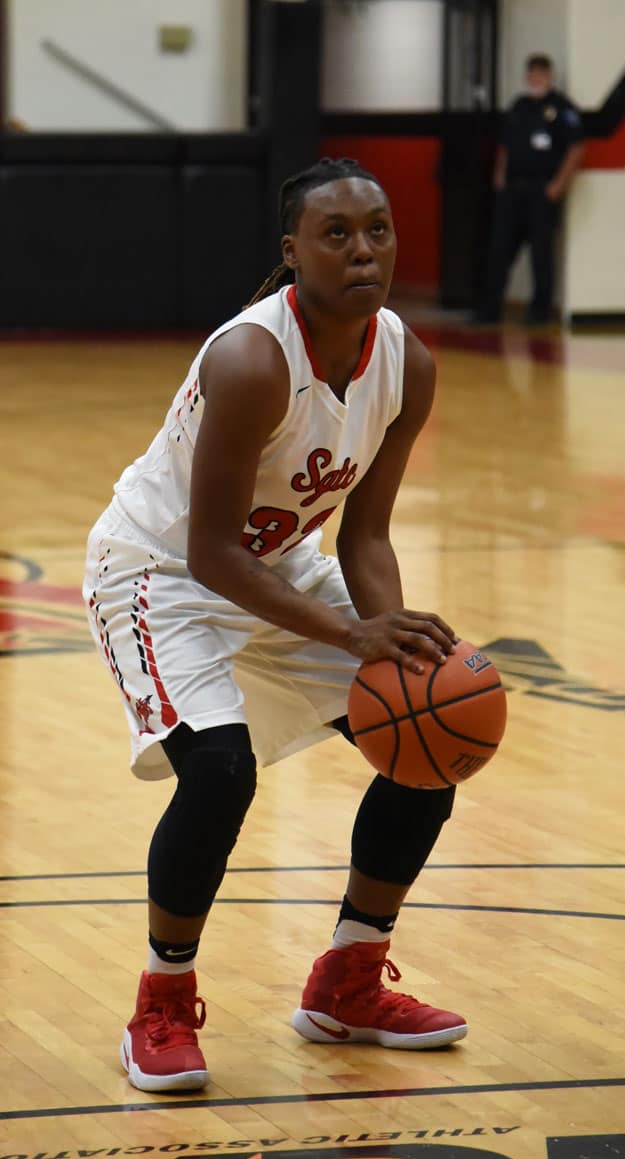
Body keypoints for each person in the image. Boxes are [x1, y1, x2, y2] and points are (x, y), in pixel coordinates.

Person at [83, 157, 467, 1094]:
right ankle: (162, 1001)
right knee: (217, 772)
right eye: (336, 234)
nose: (363, 249)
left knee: (428, 740)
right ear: (291, 252)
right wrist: (351, 640)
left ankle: (348, 982)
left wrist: (393, 649)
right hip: (159, 572)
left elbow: (367, 531)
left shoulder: (406, 362)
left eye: (377, 229)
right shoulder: (251, 358)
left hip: (284, 565)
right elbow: (212, 550)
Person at [475, 53, 584, 325]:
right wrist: (500, 175)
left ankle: (539, 312)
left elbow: (577, 148)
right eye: (531, 75)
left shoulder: (562, 108)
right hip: (512, 190)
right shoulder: (519, 107)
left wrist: (558, 185)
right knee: (500, 250)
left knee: (541, 254)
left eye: (541, 75)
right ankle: (489, 309)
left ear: (549, 77)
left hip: (541, 191)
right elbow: (506, 146)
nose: (536, 80)